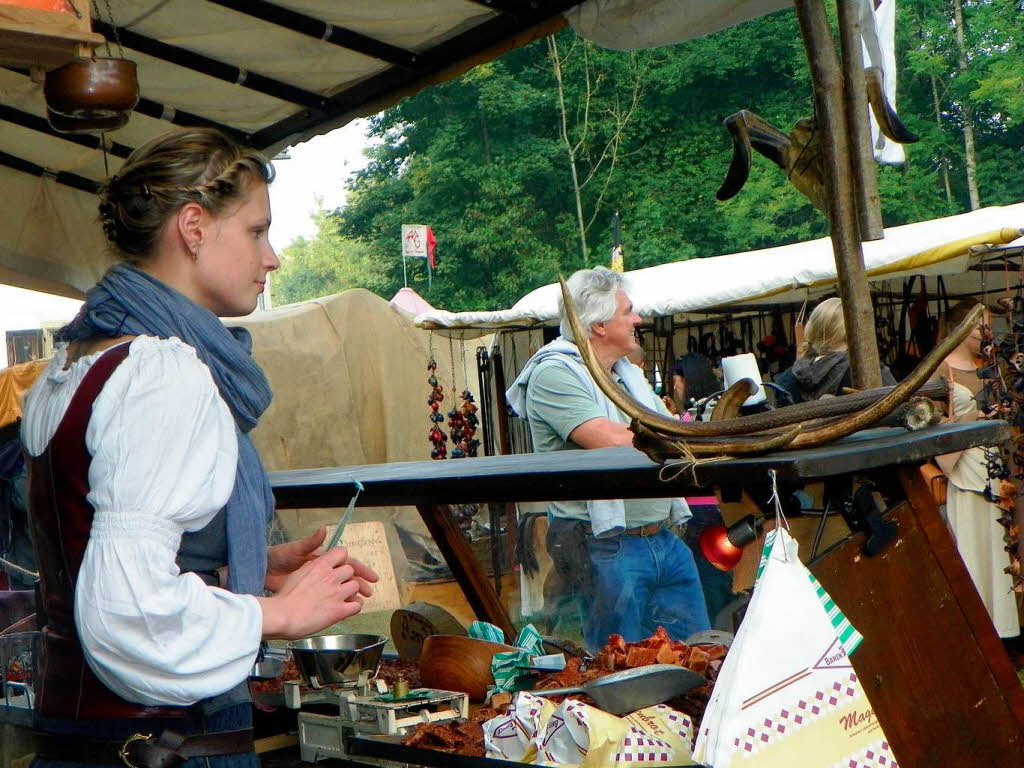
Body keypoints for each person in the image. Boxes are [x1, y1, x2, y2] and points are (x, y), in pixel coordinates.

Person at [21, 128, 377, 768]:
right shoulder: (161, 373)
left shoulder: (76, 361)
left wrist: (233, 567)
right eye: (257, 231)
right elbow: (125, 610)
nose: (272, 259)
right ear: (193, 226)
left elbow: (91, 559)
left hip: (79, 736)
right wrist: (278, 611)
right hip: (163, 746)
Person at [506, 267, 709, 651]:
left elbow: (657, 431)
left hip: (660, 537)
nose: (638, 320)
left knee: (698, 656)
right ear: (599, 326)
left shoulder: (626, 375)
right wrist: (686, 436)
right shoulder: (554, 372)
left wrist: (680, 434)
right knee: (622, 664)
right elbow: (610, 439)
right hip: (603, 544)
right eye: (628, 311)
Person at [932, 300, 1019, 639]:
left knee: (1001, 550)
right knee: (971, 551)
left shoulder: (991, 364)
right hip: (965, 471)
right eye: (980, 324)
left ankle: (1006, 633)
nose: (986, 331)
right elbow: (933, 426)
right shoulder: (940, 370)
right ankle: (975, 633)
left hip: (999, 470)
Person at [773, 297, 896, 404]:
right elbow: (900, 403)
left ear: (812, 326)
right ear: (853, 327)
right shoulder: (865, 369)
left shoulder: (789, 378)